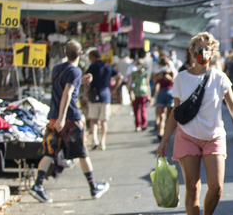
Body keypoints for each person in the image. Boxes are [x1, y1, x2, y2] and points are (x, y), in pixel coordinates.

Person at [156, 32, 233, 215]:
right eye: (198, 47)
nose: (202, 51)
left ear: (213, 52)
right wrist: (164, 140)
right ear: (191, 52)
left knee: (216, 187)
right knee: (192, 187)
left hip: (214, 137)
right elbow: (175, 112)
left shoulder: (219, 77)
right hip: (187, 137)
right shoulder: (181, 78)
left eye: (207, 47)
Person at [28, 40, 110, 203]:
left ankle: (38, 185)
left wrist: (81, 81)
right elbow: (67, 92)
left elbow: (63, 88)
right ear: (80, 55)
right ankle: (93, 186)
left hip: (53, 117)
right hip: (69, 118)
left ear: (65, 53)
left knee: (49, 151)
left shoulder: (57, 68)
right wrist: (63, 117)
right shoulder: (76, 71)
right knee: (82, 152)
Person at [84, 49, 113, 151]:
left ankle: (94, 140)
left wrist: (86, 89)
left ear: (92, 57)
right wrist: (113, 88)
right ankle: (102, 142)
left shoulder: (92, 67)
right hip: (105, 94)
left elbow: (86, 78)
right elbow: (119, 76)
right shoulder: (108, 66)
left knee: (94, 119)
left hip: (94, 94)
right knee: (103, 120)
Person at [152, 57, 176, 138]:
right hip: (162, 92)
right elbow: (155, 83)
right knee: (162, 115)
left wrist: (169, 78)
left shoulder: (171, 72)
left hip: (169, 92)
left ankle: (166, 132)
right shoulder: (160, 73)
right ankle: (161, 131)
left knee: (168, 115)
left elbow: (175, 82)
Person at [128, 57, 150, 132]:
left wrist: (149, 95)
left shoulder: (145, 73)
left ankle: (144, 123)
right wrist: (131, 93)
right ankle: (138, 125)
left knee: (143, 109)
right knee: (136, 110)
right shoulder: (133, 73)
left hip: (144, 93)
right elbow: (130, 84)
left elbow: (147, 84)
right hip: (136, 93)